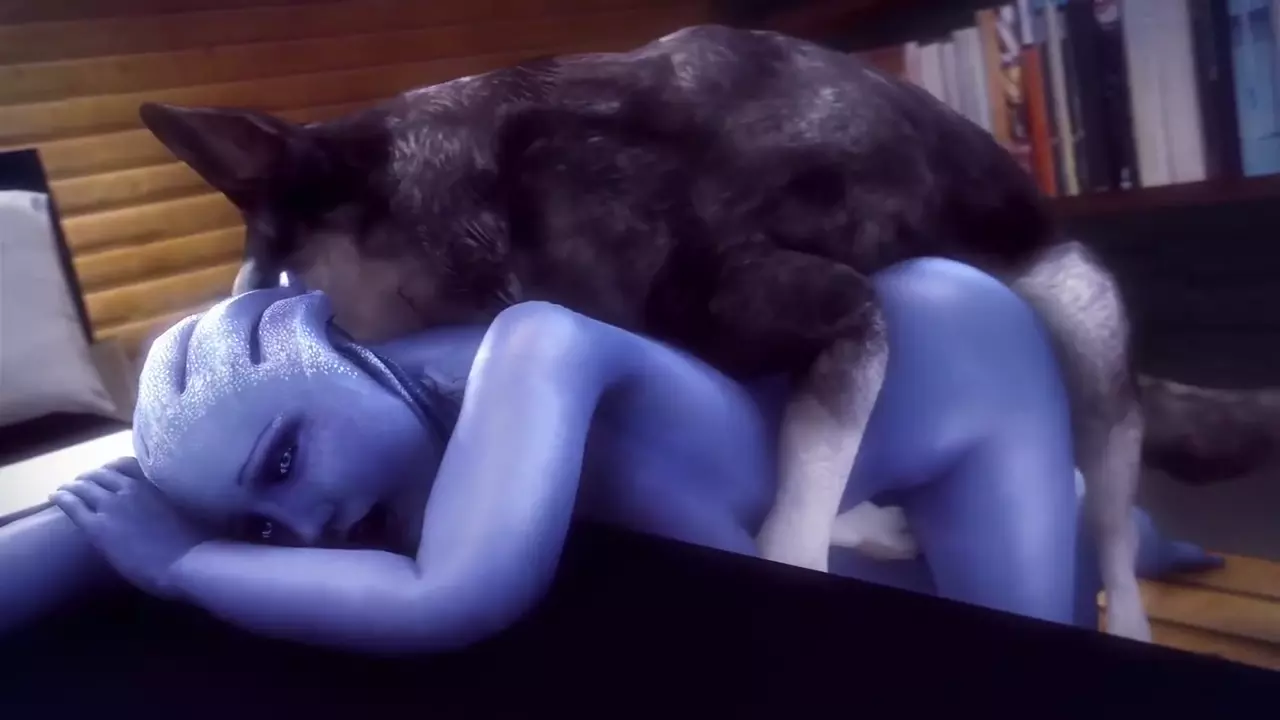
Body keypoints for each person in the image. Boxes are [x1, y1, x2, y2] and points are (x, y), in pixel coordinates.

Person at [0, 259, 1216, 653]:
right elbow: (122, 504)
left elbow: (449, 596)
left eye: (281, 466)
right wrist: (162, 512)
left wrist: (186, 567)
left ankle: (1080, 511)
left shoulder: (532, 350)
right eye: (263, 522)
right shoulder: (372, 428)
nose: (305, 523)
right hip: (764, 504)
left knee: (1028, 664)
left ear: (340, 359)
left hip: (949, 373)